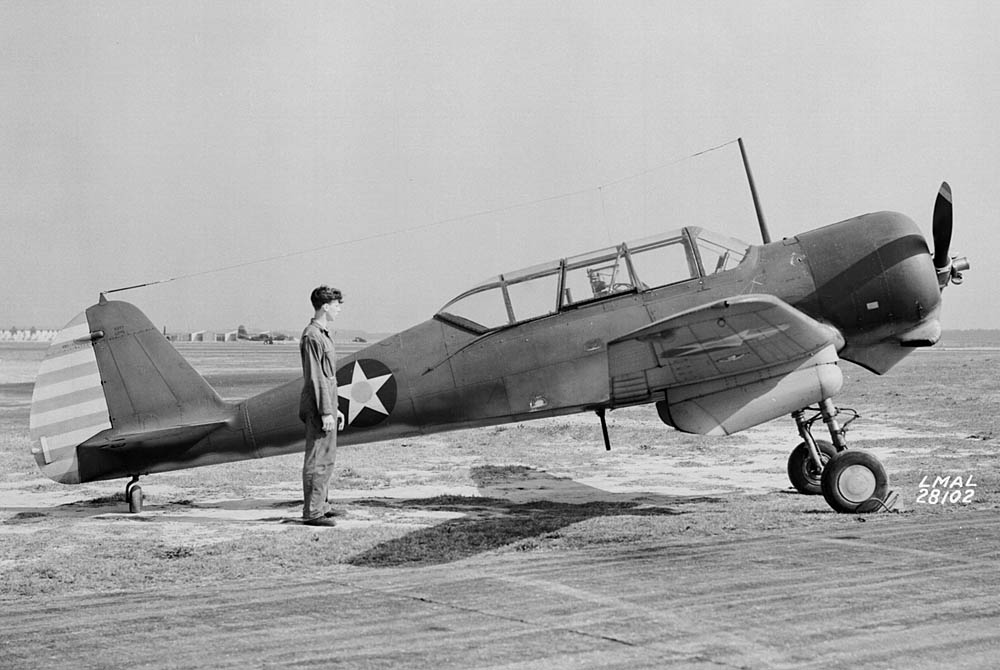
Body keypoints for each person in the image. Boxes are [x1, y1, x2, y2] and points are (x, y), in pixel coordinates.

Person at [298, 285, 345, 527]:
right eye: (337, 304)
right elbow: (315, 377)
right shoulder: (313, 336)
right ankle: (312, 512)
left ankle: (321, 506)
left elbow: (327, 378)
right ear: (325, 306)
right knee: (317, 459)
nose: (339, 308)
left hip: (325, 404)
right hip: (318, 408)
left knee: (326, 458)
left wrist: (333, 407)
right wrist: (325, 410)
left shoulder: (322, 334)